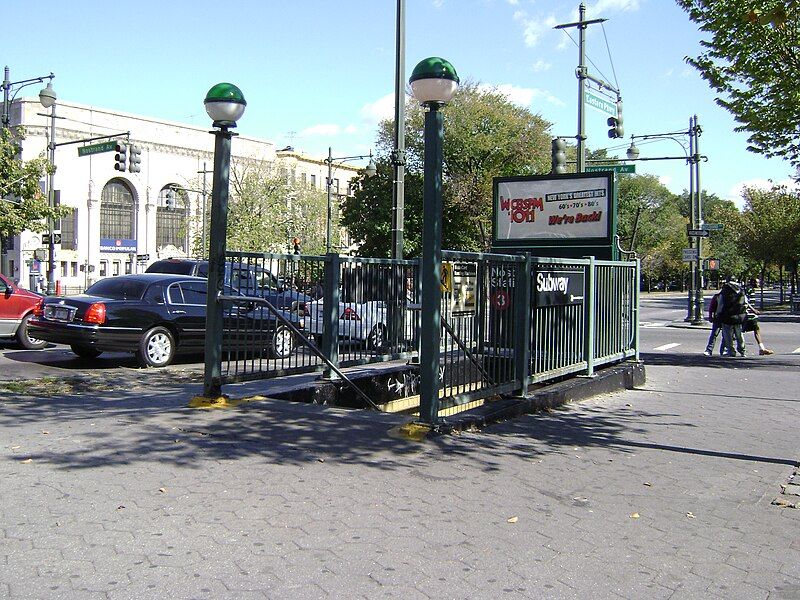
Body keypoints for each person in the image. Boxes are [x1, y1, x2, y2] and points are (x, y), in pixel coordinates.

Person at [716, 278, 747, 356]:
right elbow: (745, 303)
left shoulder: (724, 292)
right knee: (739, 335)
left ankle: (731, 351)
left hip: (727, 316)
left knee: (728, 336)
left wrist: (718, 314)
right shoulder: (741, 291)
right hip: (739, 316)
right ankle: (742, 350)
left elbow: (720, 305)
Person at [703, 291, 723, 356]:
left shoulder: (729, 297)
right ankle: (709, 349)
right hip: (719, 318)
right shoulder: (717, 297)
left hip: (723, 318)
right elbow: (712, 308)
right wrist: (710, 317)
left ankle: (722, 350)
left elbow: (711, 308)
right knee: (715, 334)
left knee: (725, 335)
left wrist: (710, 317)